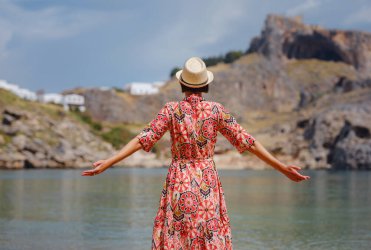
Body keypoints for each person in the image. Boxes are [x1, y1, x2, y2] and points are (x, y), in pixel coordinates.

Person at [81, 57, 310, 249]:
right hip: (207, 185)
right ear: (205, 86)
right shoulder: (216, 111)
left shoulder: (171, 110)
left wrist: (109, 162)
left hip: (179, 184)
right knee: (207, 239)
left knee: (176, 238)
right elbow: (248, 142)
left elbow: (143, 139)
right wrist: (282, 167)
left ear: (182, 84)